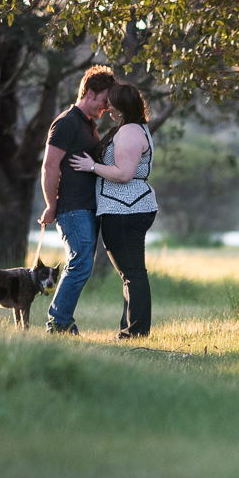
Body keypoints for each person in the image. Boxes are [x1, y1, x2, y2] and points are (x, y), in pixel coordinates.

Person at [68, 81, 157, 339]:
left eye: (111, 103)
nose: (107, 107)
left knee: (133, 273)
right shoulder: (130, 128)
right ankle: (129, 330)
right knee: (130, 273)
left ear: (121, 106)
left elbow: (124, 174)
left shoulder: (129, 132)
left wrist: (91, 167)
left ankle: (136, 332)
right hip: (123, 209)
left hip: (125, 210)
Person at [38, 65, 116, 335]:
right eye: (104, 101)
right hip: (72, 208)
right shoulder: (66, 122)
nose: (106, 107)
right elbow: (49, 166)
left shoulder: (88, 125)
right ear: (90, 92)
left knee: (82, 264)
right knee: (79, 263)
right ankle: (58, 322)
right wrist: (51, 204)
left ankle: (61, 321)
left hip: (88, 206)